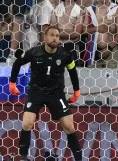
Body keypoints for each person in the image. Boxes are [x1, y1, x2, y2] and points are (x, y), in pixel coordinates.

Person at [8, 26, 82, 161]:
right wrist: (12, 83)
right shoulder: (34, 52)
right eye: (52, 35)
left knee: (69, 126)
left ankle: (79, 159)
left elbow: (72, 71)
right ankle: (23, 158)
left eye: (57, 36)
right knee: (27, 123)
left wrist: (76, 91)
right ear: (45, 37)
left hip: (56, 92)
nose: (55, 38)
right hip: (36, 91)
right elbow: (17, 63)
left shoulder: (65, 55)